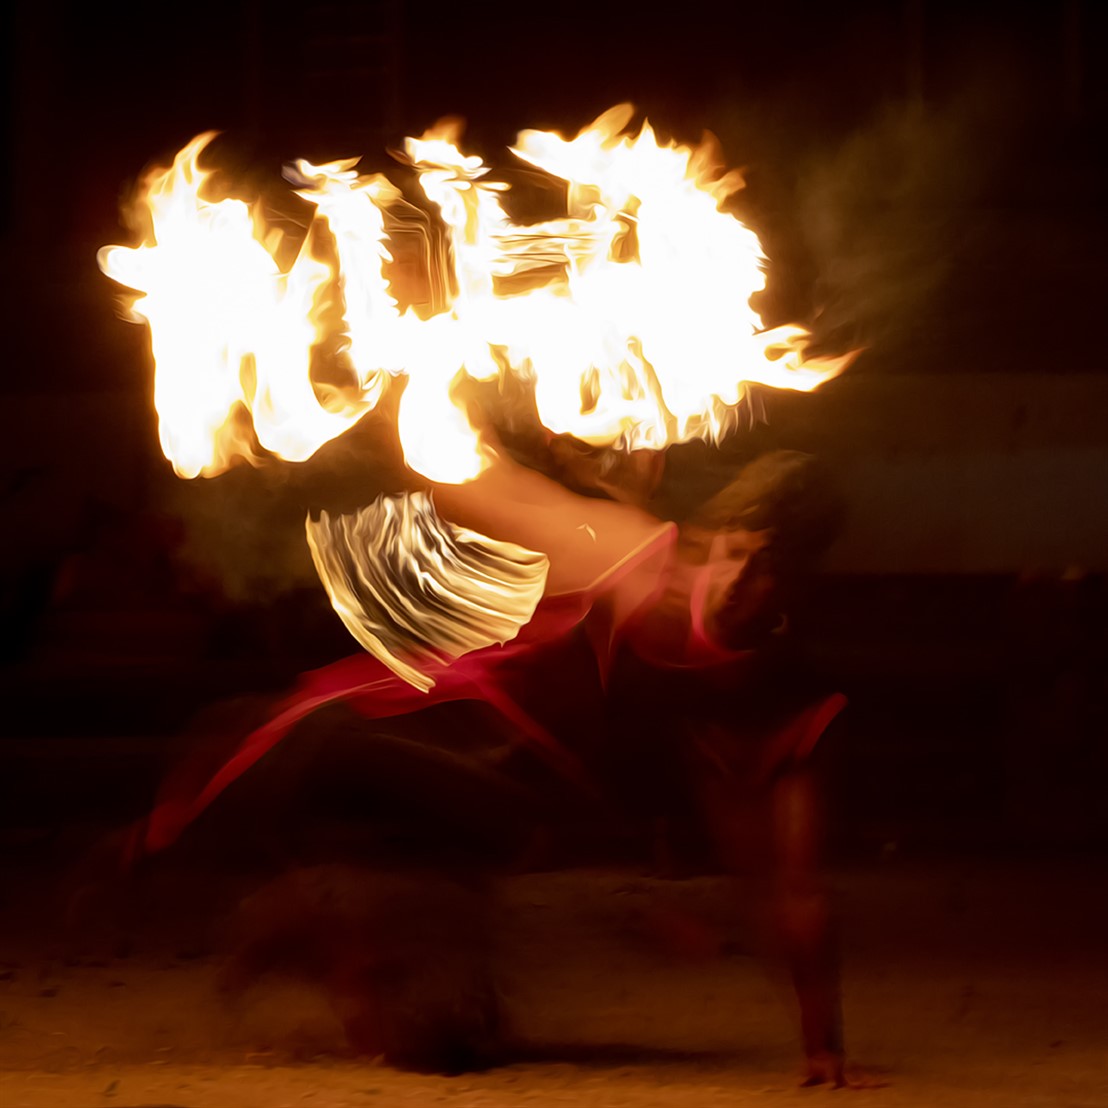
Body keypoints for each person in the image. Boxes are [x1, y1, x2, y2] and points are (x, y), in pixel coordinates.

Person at [120, 439, 854, 1084]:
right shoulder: (620, 552)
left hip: (475, 813)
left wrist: (822, 1045)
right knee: (298, 772)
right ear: (711, 536)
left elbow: (788, 882)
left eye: (766, 570)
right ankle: (318, 913)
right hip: (377, 747)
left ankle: (330, 928)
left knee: (446, 1039)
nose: (737, 581)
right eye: (734, 550)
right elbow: (468, 473)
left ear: (795, 588)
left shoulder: (772, 696)